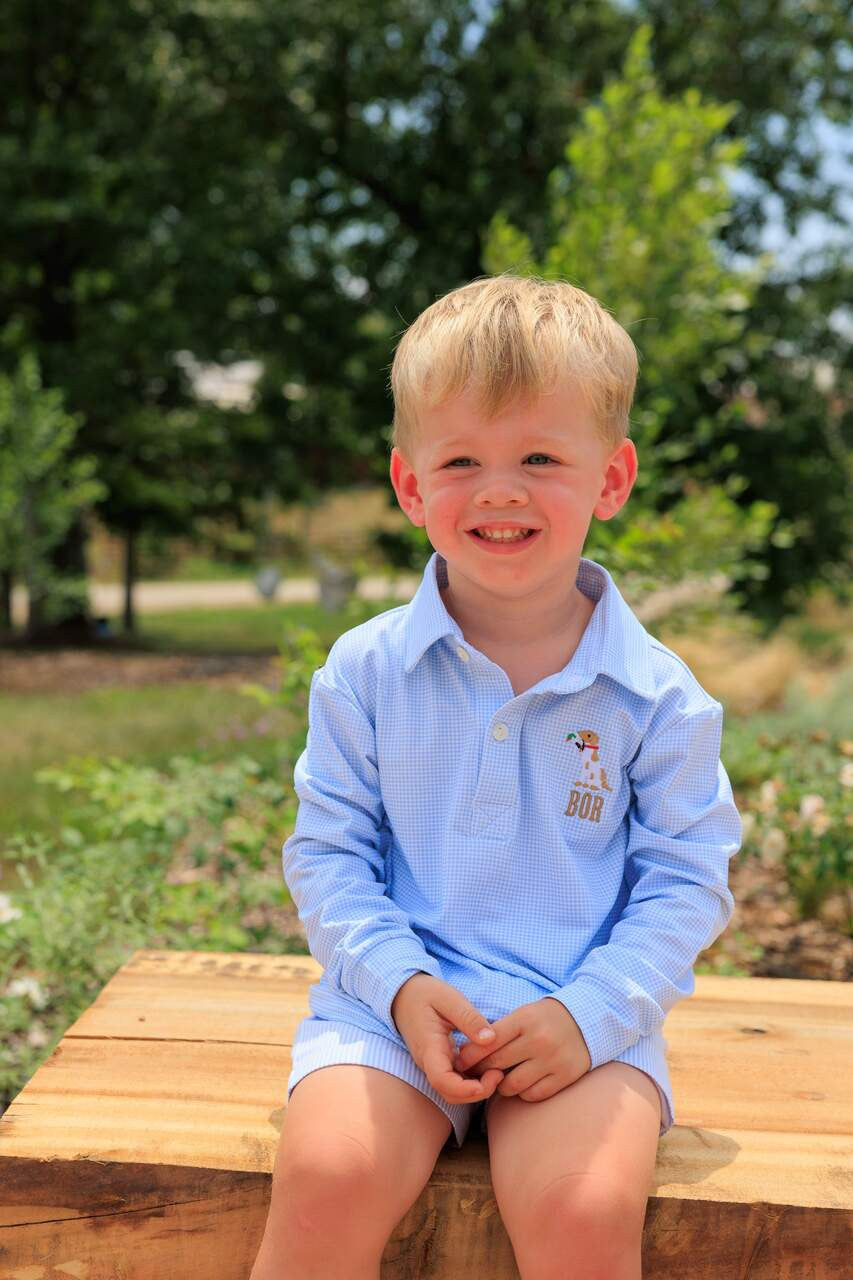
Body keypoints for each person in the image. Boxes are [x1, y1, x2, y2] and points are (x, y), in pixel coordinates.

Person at [249, 274, 742, 1280]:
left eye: (541, 458)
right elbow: (330, 852)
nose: (501, 488)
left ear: (610, 479)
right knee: (329, 1175)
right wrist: (396, 984)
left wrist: (589, 1012)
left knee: (582, 1209)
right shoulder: (366, 671)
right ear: (409, 482)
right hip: (393, 1006)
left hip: (576, 1016)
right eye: (462, 457)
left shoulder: (656, 697)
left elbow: (686, 880)